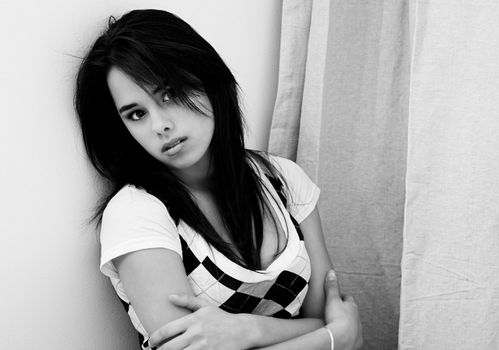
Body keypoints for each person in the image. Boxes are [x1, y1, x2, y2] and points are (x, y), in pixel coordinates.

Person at [75, 8, 362, 350]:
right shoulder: (138, 213)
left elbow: (323, 317)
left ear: (208, 79)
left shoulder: (283, 179)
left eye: (169, 94)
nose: (159, 125)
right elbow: (335, 329)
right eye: (137, 114)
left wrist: (245, 331)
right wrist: (333, 338)